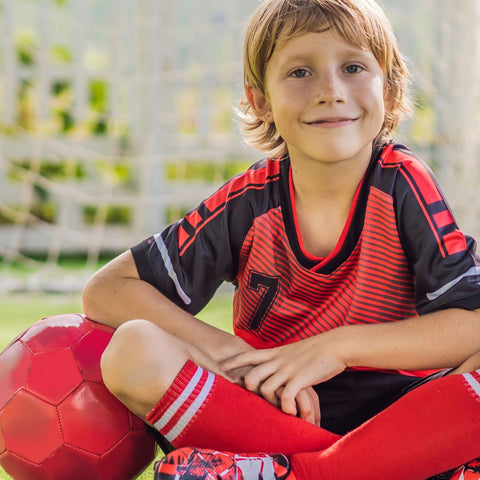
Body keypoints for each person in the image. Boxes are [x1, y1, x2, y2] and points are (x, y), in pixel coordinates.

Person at [82, 0, 480, 478]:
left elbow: (470, 325)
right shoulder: (251, 200)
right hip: (275, 414)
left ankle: (303, 472)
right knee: (133, 349)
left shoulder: (401, 181)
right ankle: (381, 468)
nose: (330, 91)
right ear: (260, 100)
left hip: (403, 416)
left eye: (353, 67)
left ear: (391, 89)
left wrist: (339, 347)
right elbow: (107, 290)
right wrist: (241, 362)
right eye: (300, 72)